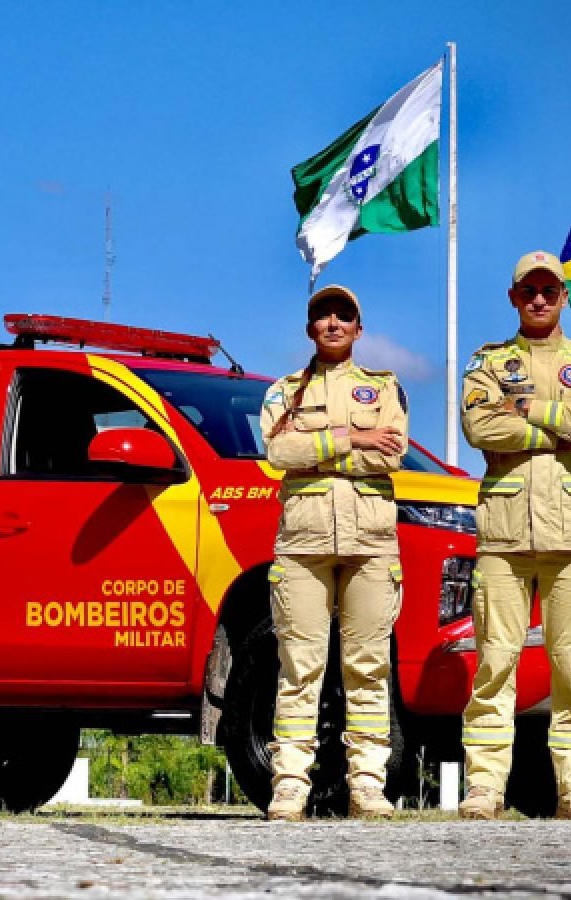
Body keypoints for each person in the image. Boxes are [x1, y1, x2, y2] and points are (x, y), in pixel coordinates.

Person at [458, 250, 571, 821]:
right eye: (528, 290)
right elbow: (480, 426)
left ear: (563, 296)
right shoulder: (488, 362)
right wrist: (560, 424)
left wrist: (529, 408)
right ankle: (484, 787)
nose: (538, 299)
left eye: (548, 290)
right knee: (494, 662)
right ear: (513, 297)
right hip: (504, 534)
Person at [260, 284, 408, 821]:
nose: (333, 323)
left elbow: (394, 455)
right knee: (299, 667)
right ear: (309, 328)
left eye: (344, 315)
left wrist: (318, 449)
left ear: (358, 329)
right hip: (303, 546)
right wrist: (351, 437)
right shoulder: (285, 391)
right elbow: (278, 450)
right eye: (323, 314)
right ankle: (290, 786)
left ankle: (367, 784)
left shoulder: (383, 387)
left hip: (371, 544)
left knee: (367, 667)